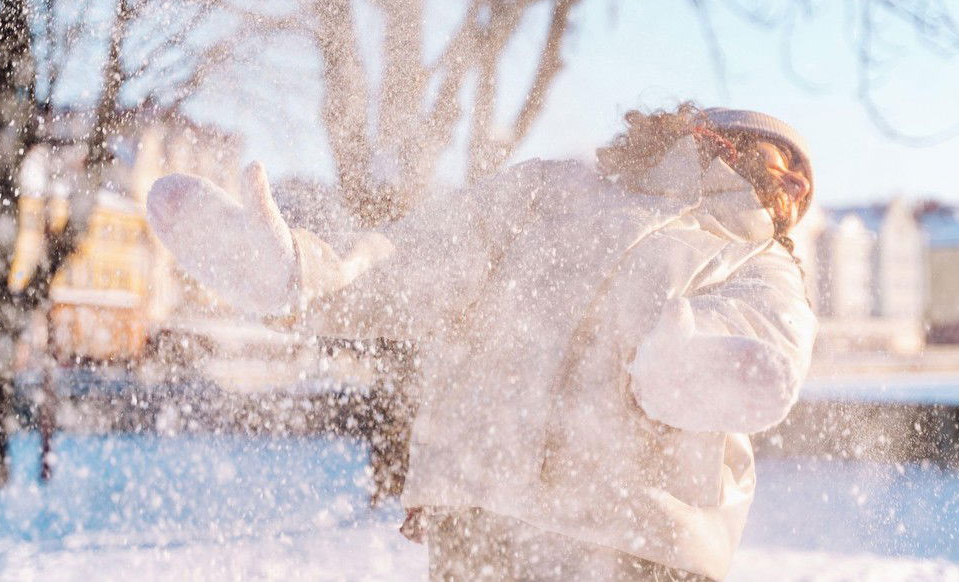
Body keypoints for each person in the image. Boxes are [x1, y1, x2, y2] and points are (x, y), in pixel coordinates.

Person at [146, 104, 817, 581]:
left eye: (806, 184)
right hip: (486, 514)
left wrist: (693, 369)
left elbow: (767, 337)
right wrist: (303, 275)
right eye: (786, 158)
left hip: (645, 538)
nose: (799, 183)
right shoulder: (555, 190)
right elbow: (410, 265)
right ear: (714, 133)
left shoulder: (763, 262)